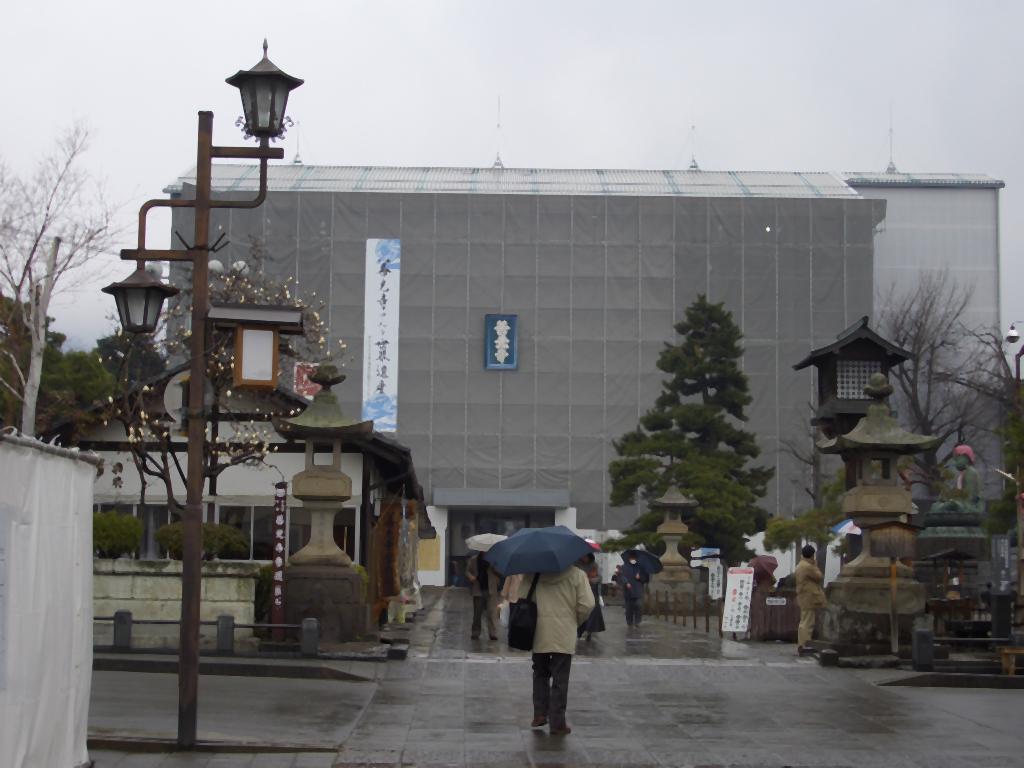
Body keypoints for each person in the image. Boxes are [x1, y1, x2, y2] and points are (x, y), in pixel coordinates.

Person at [520, 564, 594, 736]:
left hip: (539, 632)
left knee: (540, 673)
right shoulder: (577, 575)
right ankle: (558, 723)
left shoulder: (532, 573)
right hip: (564, 633)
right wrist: (575, 620)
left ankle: (539, 713)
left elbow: (522, 597)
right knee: (560, 679)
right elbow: (587, 604)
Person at [794, 544, 827, 651]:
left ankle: (802, 644)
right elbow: (819, 576)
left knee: (804, 620)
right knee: (808, 622)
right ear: (812, 555)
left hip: (803, 597)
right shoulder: (808, 566)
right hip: (809, 597)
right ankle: (805, 644)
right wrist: (815, 565)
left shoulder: (800, 565)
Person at [466, 551, 500, 640]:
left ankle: (493, 633)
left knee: (491, 612)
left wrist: (494, 568)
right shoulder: (474, 559)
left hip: (491, 589)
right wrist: (470, 576)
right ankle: (475, 632)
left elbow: (499, 572)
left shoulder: (493, 559)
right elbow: (467, 571)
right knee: (477, 614)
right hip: (478, 589)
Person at [575, 553, 606, 641]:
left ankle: (590, 631)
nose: (584, 558)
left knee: (593, 610)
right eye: (583, 556)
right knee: (580, 610)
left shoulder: (594, 565)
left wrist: (591, 580)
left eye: (586, 557)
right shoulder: (576, 564)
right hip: (580, 590)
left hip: (592, 590)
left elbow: (599, 577)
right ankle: (579, 631)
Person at [615, 553, 649, 628]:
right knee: (629, 608)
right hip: (628, 591)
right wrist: (626, 583)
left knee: (638, 605)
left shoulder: (641, 568)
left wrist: (640, 577)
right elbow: (621, 576)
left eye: (634, 558)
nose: (633, 560)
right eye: (631, 558)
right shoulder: (624, 567)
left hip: (638, 590)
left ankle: (637, 621)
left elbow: (646, 579)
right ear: (629, 558)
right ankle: (629, 622)